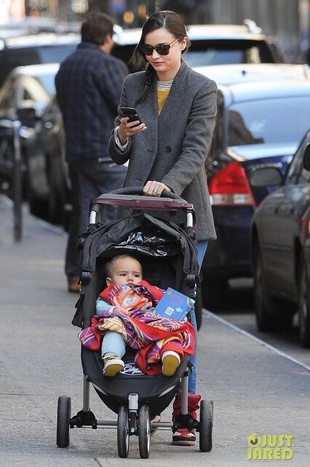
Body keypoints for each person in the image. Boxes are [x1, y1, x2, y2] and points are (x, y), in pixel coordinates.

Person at [107, 10, 217, 446]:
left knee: (176, 312)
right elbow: (117, 152)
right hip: (136, 217)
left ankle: (184, 407)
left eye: (163, 48)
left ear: (183, 44)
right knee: (135, 310)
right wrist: (120, 134)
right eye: (147, 49)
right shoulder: (134, 85)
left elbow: (196, 150)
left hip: (184, 217)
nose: (155, 56)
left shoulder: (203, 89)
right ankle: (143, 400)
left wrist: (167, 184)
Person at [55, 12, 128, 293]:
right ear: (107, 38)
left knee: (83, 214)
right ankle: (103, 275)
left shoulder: (66, 66)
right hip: (106, 153)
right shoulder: (107, 65)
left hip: (76, 153)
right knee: (112, 214)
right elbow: (123, 107)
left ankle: (76, 273)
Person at [79, 254, 195, 378]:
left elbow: (163, 301)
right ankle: (112, 358)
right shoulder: (111, 293)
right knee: (112, 330)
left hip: (148, 325)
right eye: (123, 275)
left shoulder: (147, 290)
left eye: (136, 275)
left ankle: (170, 355)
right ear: (109, 282)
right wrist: (113, 309)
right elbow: (100, 306)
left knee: (170, 331)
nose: (130, 278)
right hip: (123, 324)